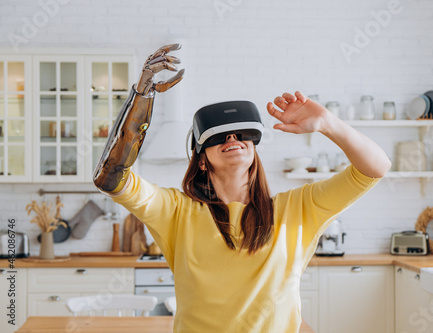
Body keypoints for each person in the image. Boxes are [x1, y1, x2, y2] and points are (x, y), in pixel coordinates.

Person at [94, 45, 391, 332]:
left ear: (254, 150)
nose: (232, 137)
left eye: (241, 134)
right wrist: (141, 97)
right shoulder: (176, 212)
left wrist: (328, 123)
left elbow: (376, 167)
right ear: (201, 161)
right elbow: (110, 177)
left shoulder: (296, 210)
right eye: (220, 136)